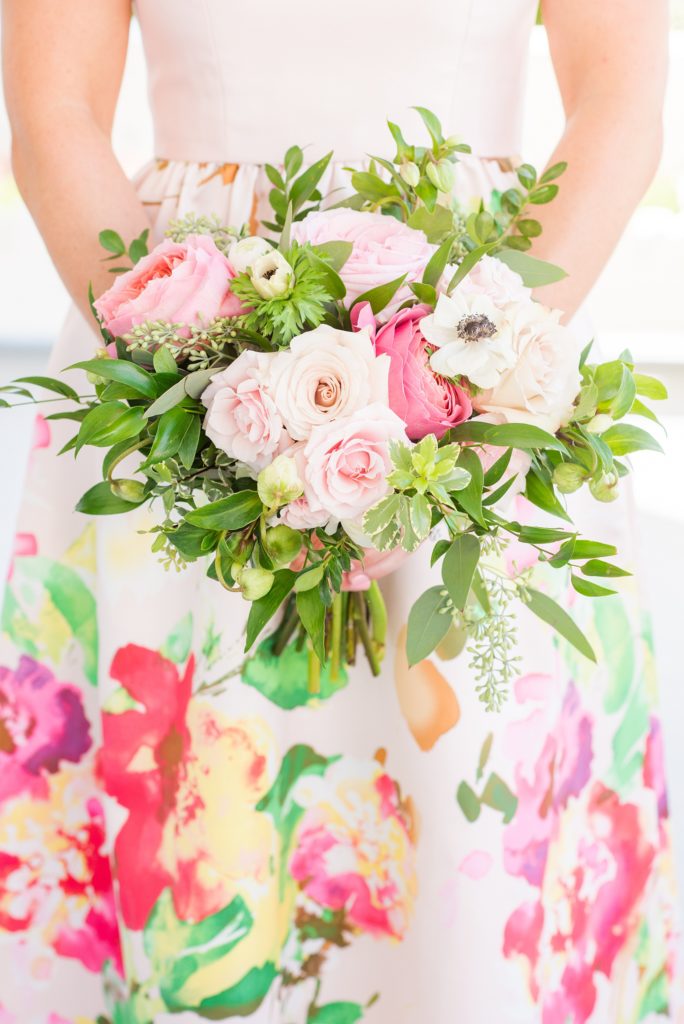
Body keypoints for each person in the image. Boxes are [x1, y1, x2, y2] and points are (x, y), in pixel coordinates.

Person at [0, 2, 677, 1022]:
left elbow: (620, 98)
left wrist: (481, 354)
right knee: (201, 806)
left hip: (482, 340)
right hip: (180, 352)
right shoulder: (183, 363)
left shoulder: (487, 346)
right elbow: (53, 110)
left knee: (475, 811)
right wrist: (194, 366)